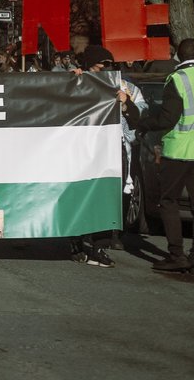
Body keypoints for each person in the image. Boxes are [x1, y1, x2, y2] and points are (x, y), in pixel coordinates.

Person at [137, 38, 194, 275]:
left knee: (169, 201)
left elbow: (168, 118)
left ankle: (176, 254)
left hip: (179, 150)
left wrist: (144, 123)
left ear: (178, 55)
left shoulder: (177, 79)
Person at [68, 45, 146, 268]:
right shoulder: (80, 81)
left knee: (111, 197)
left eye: (108, 66)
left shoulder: (127, 87)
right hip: (84, 150)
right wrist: (72, 82)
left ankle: (98, 246)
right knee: (82, 194)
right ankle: (77, 240)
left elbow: (141, 114)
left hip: (116, 149)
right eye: (99, 66)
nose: (104, 70)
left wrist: (126, 103)